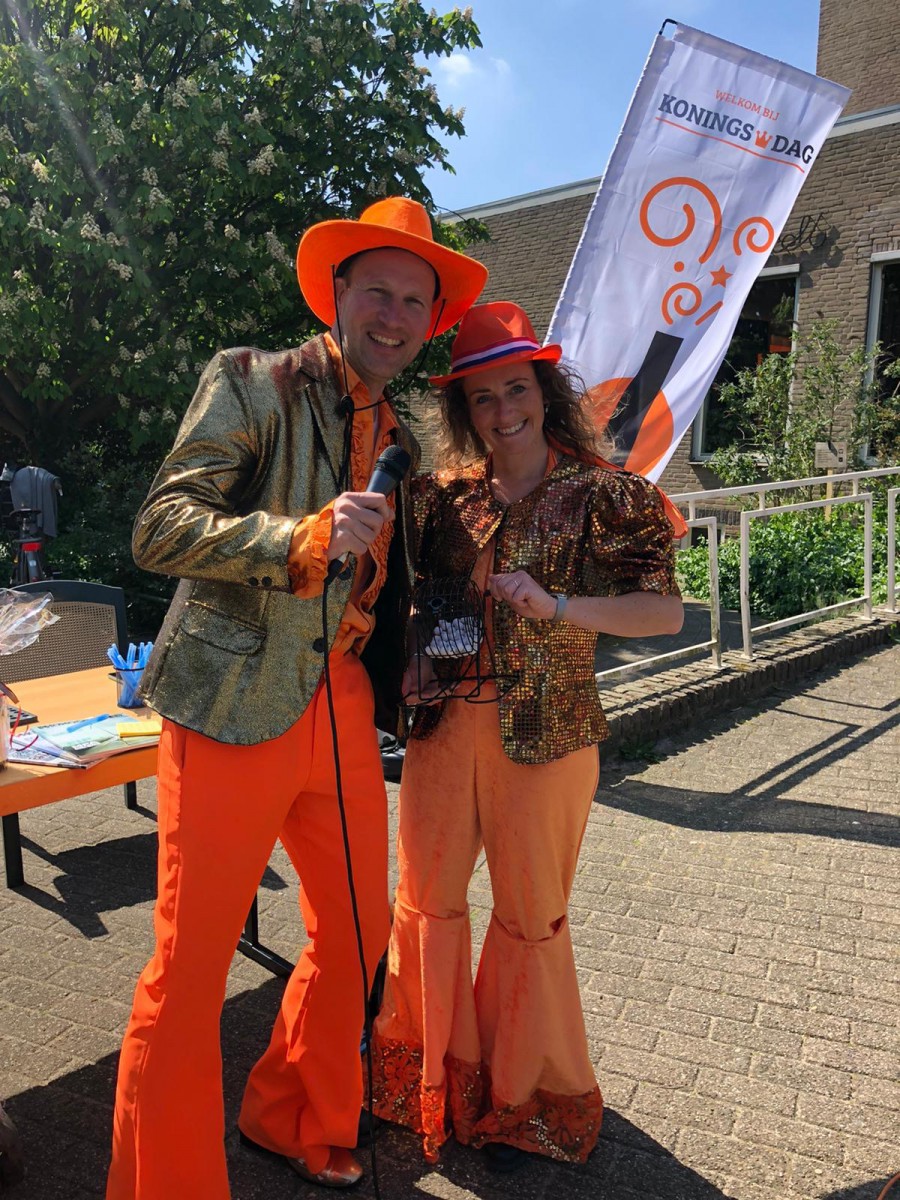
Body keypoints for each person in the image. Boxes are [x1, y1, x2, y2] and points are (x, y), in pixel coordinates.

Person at [106, 198, 487, 1199]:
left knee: (359, 935)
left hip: (344, 704)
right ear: (339, 295)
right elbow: (159, 530)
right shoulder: (252, 380)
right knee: (189, 978)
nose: (396, 314)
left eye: (416, 299)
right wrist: (295, 539)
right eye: (380, 291)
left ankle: (292, 1117)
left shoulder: (412, 429)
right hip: (232, 699)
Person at [370, 301, 685, 1172]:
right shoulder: (441, 501)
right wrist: (420, 665)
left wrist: (562, 608)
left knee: (528, 919)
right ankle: (429, 1082)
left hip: (548, 740)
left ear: (544, 391)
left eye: (516, 388)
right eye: (481, 397)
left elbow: (664, 610)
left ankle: (524, 1099)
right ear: (463, 411)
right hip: (443, 734)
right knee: (427, 902)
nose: (502, 409)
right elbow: (432, 613)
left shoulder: (607, 495)